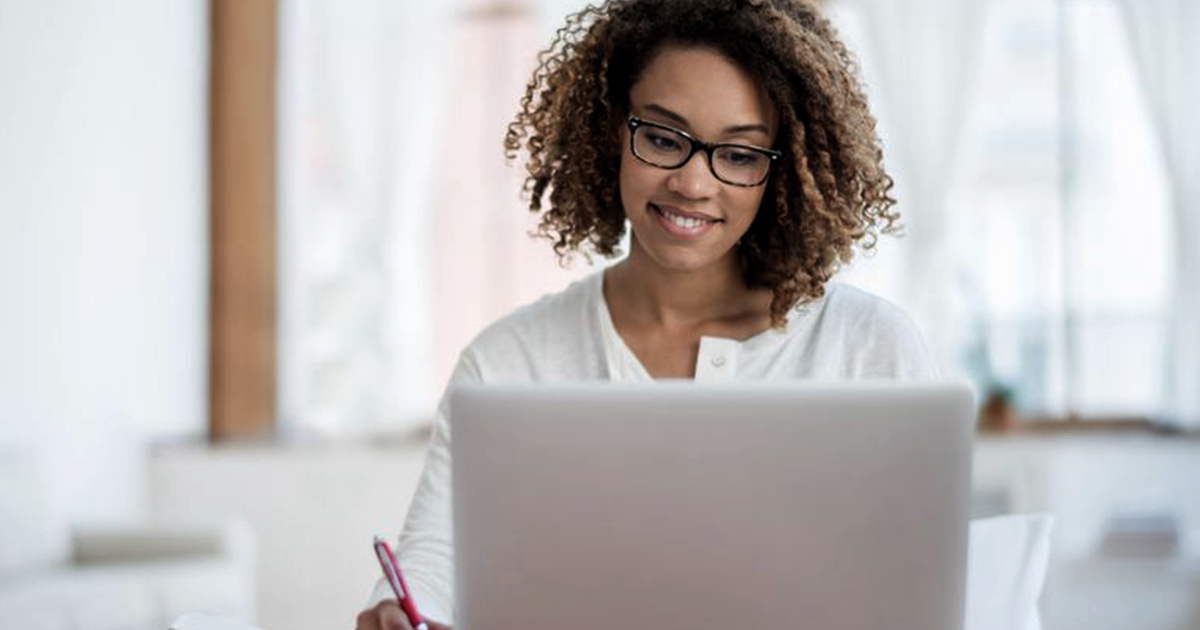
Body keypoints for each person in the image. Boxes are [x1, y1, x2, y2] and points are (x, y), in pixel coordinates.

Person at [356, 0, 935, 628]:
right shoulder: (509, 362)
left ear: (782, 170)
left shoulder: (869, 348)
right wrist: (398, 608)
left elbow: (926, 579)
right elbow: (436, 560)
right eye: (662, 138)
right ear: (614, 128)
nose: (692, 184)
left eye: (739, 155)